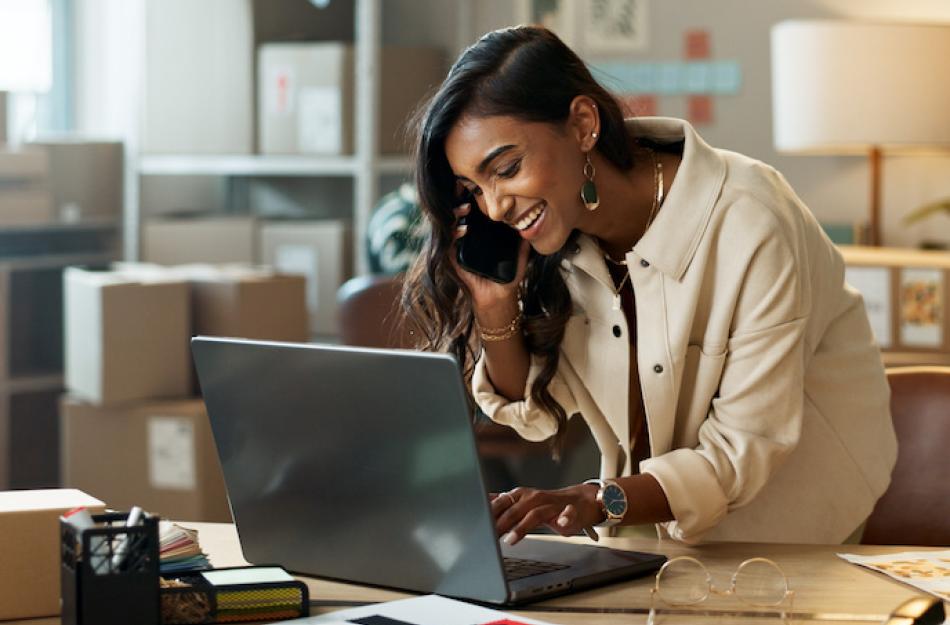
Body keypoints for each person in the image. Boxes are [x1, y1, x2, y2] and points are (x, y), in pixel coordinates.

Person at [401, 25, 897, 545]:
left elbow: (743, 447)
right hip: (649, 530)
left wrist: (595, 500)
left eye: (507, 169)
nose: (495, 207)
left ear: (583, 125)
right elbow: (537, 417)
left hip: (794, 529)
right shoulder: (558, 240)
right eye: (475, 188)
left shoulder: (751, 220)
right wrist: (494, 306)